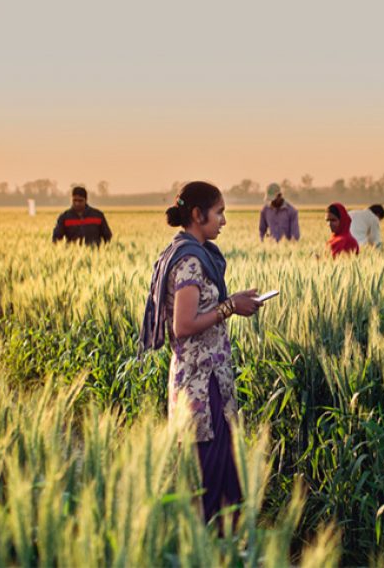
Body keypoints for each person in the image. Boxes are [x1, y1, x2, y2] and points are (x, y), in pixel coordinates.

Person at [138, 181, 264, 525]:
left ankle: (216, 545)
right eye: (219, 212)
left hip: (199, 378)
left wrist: (231, 302)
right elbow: (183, 324)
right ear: (197, 214)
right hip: (201, 385)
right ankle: (213, 547)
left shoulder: (184, 251)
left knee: (211, 468)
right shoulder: (191, 260)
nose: (223, 220)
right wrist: (230, 307)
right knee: (210, 472)